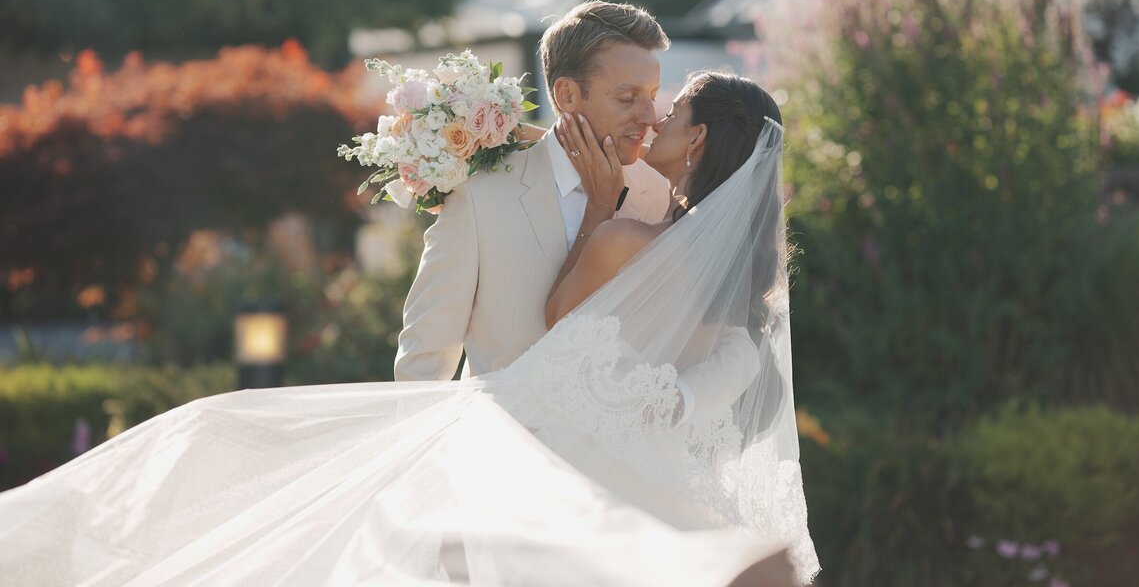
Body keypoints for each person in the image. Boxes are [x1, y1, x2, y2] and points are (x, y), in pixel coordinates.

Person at [0, 71, 818, 587]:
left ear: (699, 140)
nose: (654, 118)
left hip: (528, 443)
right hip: (637, 475)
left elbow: (564, 318)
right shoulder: (741, 283)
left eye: (671, 110)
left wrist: (598, 218)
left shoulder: (626, 235)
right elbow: (702, 376)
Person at [394, 0, 673, 381]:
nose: (648, 116)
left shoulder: (658, 196)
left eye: (652, 96)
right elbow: (423, 361)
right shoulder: (478, 197)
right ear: (566, 95)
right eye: (627, 98)